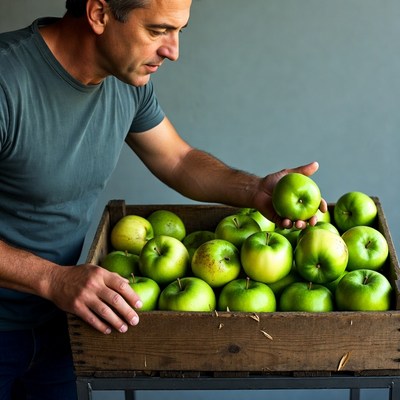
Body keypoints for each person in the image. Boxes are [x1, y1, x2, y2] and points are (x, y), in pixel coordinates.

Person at [0, 0, 327, 398]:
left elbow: (178, 159)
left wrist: (254, 189)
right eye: (158, 31)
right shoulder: (7, 80)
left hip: (62, 318)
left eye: (178, 32)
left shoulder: (125, 82)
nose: (173, 51)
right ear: (99, 14)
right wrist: (53, 279)